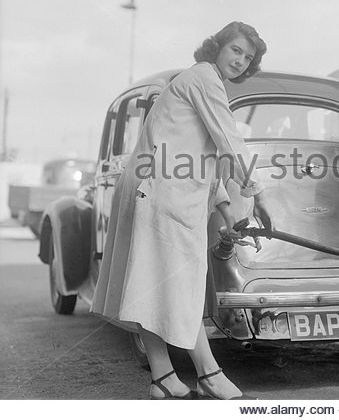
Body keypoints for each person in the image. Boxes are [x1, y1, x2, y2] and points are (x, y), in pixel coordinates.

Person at [90, 22, 274, 400]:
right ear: (218, 47)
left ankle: (164, 379)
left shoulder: (202, 82)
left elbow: (204, 160)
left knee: (151, 287)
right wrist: (260, 196)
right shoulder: (204, 78)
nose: (241, 60)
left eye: (248, 57)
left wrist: (227, 213)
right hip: (159, 193)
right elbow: (230, 141)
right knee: (179, 285)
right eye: (236, 50)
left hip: (159, 191)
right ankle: (209, 374)